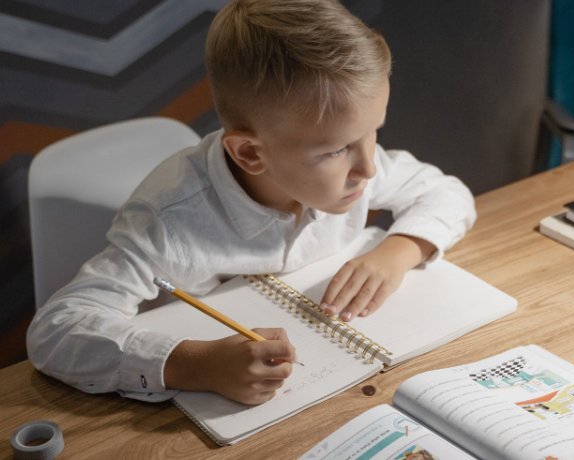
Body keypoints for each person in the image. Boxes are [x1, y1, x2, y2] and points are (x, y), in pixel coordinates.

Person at [26, 0, 475, 406]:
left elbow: (447, 192)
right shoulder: (166, 224)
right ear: (250, 154)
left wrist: (399, 253)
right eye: (337, 150)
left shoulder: (352, 168)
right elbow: (55, 332)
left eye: (373, 132)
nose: (369, 168)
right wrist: (197, 365)